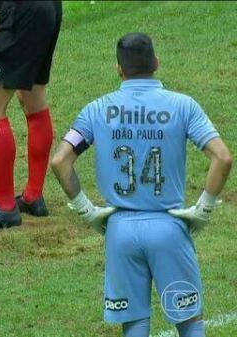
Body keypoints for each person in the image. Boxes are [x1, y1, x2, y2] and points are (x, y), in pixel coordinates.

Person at [50, 32, 232, 337]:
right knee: (189, 322)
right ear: (156, 63)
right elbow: (223, 158)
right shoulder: (183, 106)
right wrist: (204, 208)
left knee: (134, 324)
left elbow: (59, 161)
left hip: (119, 232)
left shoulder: (96, 109)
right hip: (169, 229)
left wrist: (86, 210)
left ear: (119, 69)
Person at [0, 0, 63, 233]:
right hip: (49, 8)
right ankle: (33, 196)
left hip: (21, 10)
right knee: (32, 96)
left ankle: (5, 207)